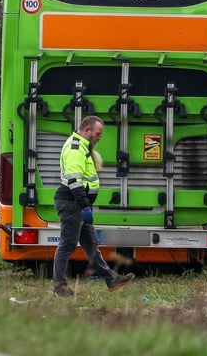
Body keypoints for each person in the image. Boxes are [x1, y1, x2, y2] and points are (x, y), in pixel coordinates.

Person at [53, 115, 135, 297]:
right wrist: (83, 206)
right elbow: (74, 181)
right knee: (67, 245)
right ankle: (60, 287)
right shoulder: (75, 148)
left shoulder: (83, 146)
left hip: (80, 204)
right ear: (87, 130)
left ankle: (111, 279)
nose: (100, 137)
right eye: (98, 133)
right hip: (72, 203)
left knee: (91, 246)